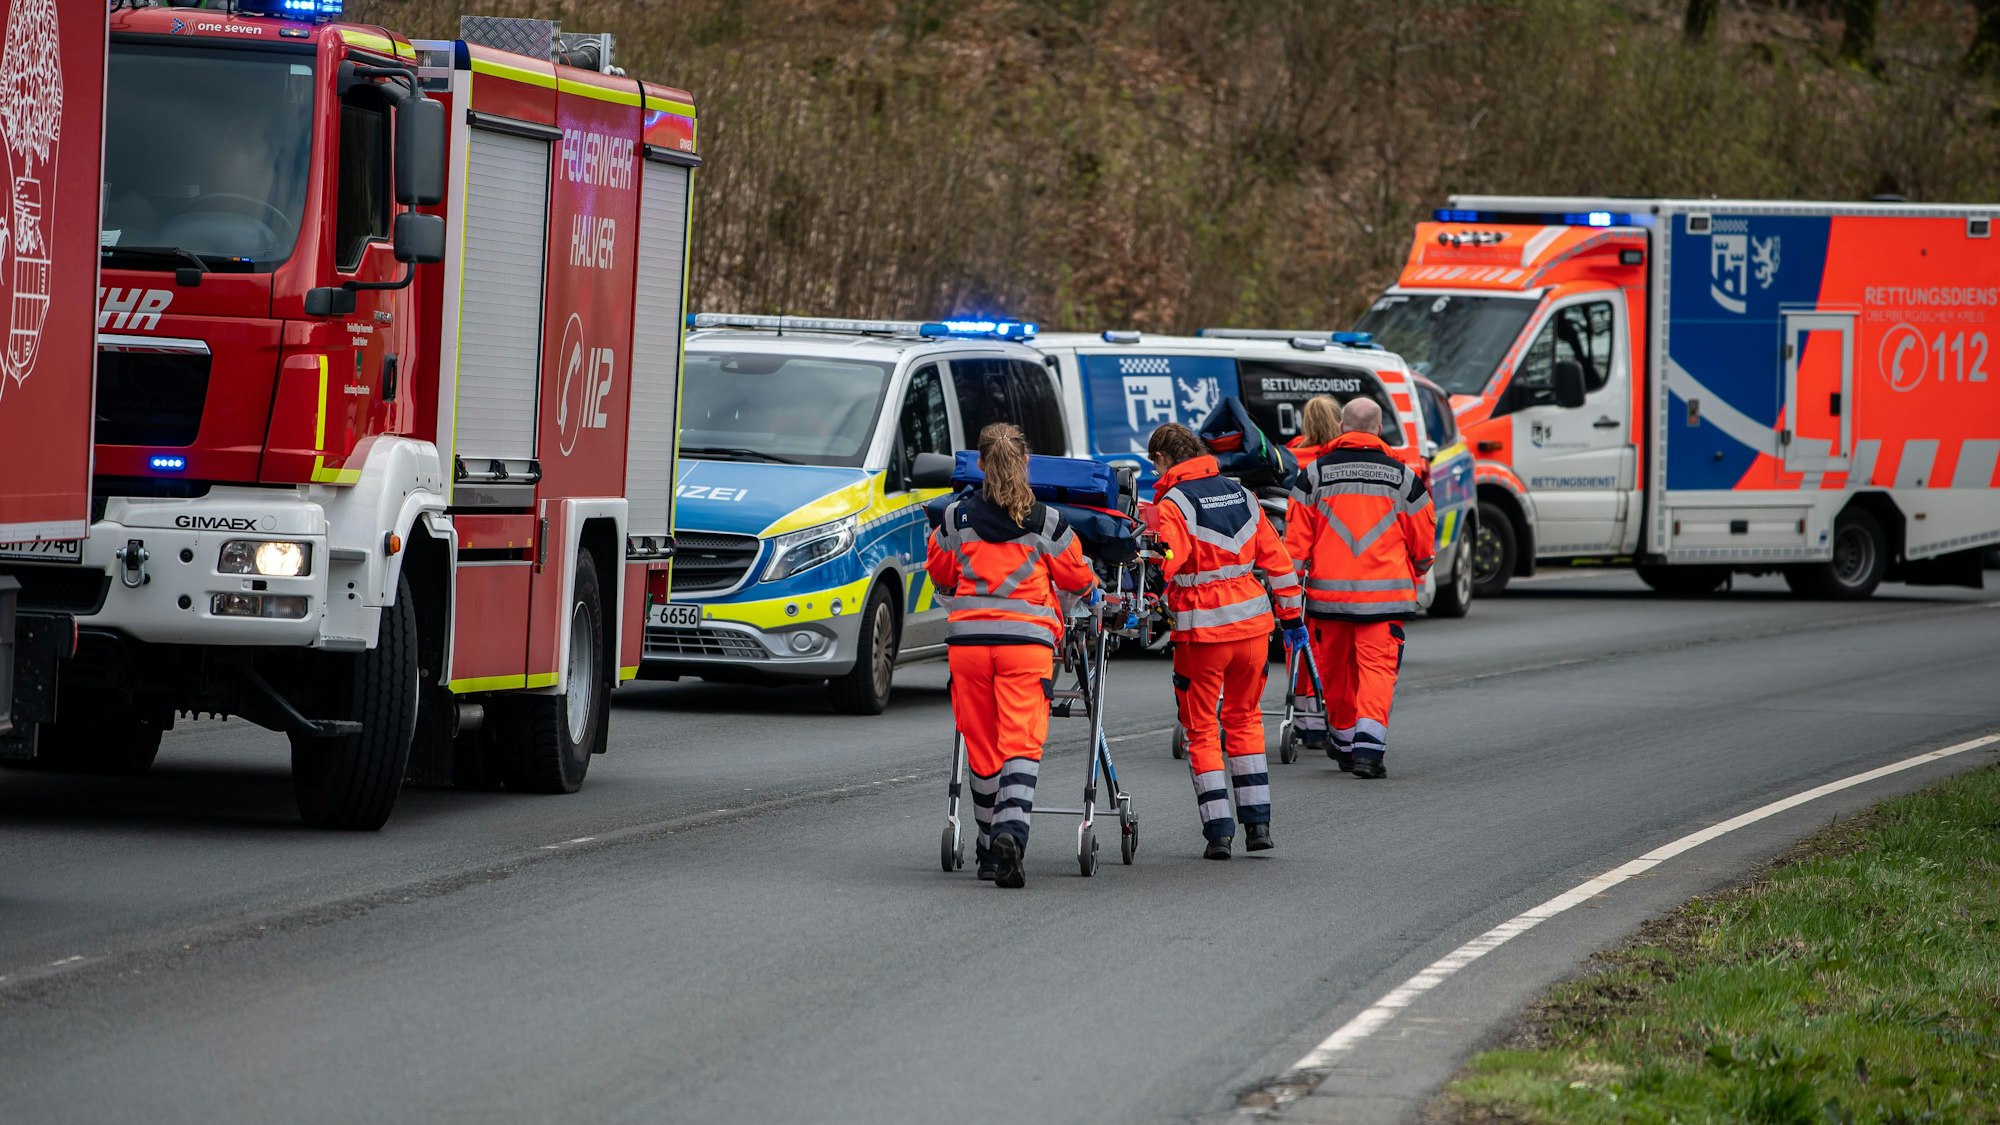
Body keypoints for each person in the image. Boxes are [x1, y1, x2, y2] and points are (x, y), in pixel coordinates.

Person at [926, 423, 1100, 889]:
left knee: (982, 751)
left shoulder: (954, 519)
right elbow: (1079, 579)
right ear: (1026, 464)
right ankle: (1010, 832)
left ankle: (987, 849)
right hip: (1025, 648)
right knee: (1021, 743)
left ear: (979, 465)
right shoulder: (1047, 522)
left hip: (968, 647)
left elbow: (939, 572)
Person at [1148, 423, 1305, 859]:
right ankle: (1258, 826)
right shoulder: (1242, 495)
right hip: (1254, 628)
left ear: (1163, 459)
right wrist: (1292, 617)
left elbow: (1165, 560)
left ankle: (1219, 832)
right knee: (1245, 720)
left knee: (1201, 729)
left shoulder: (1173, 503)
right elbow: (1279, 562)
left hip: (1203, 633)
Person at [1284, 398, 1435, 780]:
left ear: (1343, 427)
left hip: (1328, 600)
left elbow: (1295, 544)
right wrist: (1419, 566)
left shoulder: (1314, 475)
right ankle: (1368, 751)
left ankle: (1345, 742)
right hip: (1384, 602)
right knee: (1376, 674)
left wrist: (1287, 589)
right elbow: (1423, 541)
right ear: (1378, 428)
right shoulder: (1403, 477)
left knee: (1335, 675)